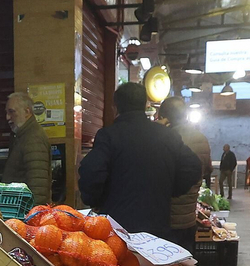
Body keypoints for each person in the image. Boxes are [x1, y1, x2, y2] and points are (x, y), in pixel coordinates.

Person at [78, 82, 203, 242]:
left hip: (117, 231)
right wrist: (169, 190)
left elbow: (91, 172)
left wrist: (96, 200)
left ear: (115, 107)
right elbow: (193, 167)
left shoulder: (108, 136)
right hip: (157, 230)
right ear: (145, 105)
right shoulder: (167, 135)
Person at [155, 97, 211, 237]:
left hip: (164, 218)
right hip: (188, 218)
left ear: (163, 117)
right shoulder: (201, 138)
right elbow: (207, 170)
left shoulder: (162, 139)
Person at [3, 92, 51, 206]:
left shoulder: (33, 138)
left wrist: (33, 214)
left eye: (12, 112)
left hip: (26, 212)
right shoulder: (24, 135)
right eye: (6, 112)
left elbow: (38, 184)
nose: (7, 117)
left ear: (27, 112)